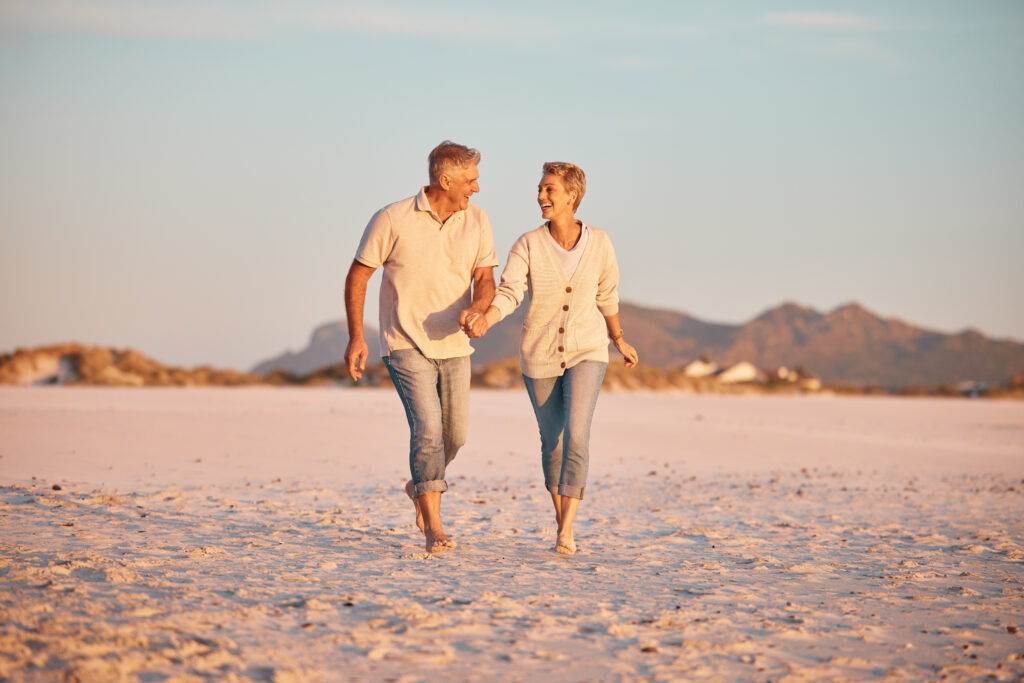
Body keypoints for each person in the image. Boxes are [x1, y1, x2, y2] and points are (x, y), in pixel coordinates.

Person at [471, 162, 638, 555]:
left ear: (571, 196)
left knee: (578, 435)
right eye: (541, 190)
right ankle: (560, 515)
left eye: (549, 190)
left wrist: (618, 339)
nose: (541, 197)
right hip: (539, 354)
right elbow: (510, 292)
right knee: (553, 442)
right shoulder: (527, 244)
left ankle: (566, 530)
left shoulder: (600, 243)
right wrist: (487, 318)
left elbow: (607, 296)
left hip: (589, 349)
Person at [344, 140, 497, 553]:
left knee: (456, 435)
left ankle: (419, 485)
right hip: (404, 341)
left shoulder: (478, 220)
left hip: (455, 344)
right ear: (445, 180)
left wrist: (480, 310)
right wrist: (357, 336)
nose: (477, 188)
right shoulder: (392, 218)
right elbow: (358, 275)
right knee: (428, 429)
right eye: (471, 180)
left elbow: (484, 280)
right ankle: (434, 527)